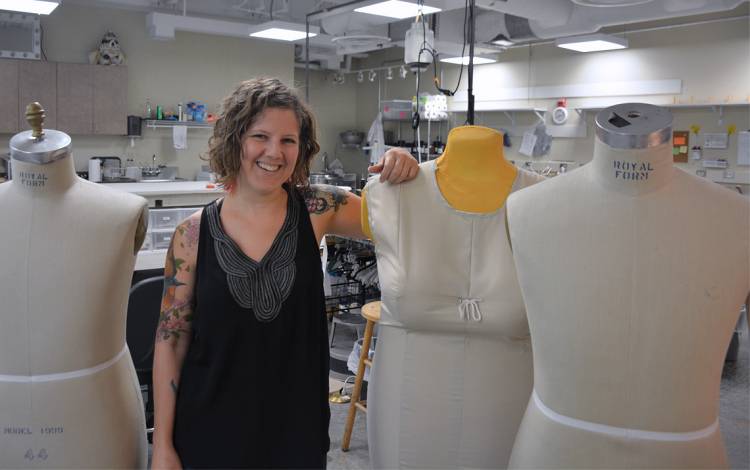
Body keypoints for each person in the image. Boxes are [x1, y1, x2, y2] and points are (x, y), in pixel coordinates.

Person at [151, 77, 418, 469]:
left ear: (302, 147)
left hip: (296, 433)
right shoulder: (192, 235)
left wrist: (405, 172)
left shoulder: (320, 208)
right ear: (235, 140)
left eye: (288, 140)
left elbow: (403, 224)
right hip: (208, 432)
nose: (274, 152)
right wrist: (162, 446)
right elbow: (170, 343)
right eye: (260, 136)